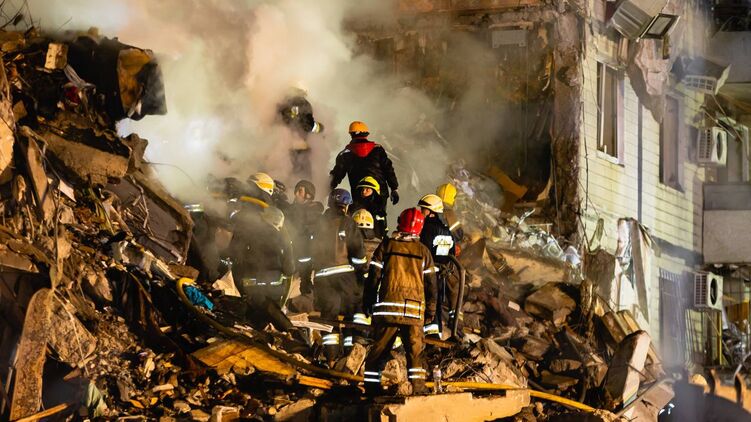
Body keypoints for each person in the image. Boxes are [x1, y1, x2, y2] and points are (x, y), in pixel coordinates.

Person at [363, 208, 437, 395]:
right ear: (420, 228)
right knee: (415, 353)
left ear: (399, 222)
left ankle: (372, 388)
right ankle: (418, 388)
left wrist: (368, 301)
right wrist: (431, 311)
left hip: (388, 309)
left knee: (379, 350)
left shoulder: (387, 246)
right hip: (413, 311)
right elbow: (431, 285)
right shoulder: (423, 252)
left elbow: (374, 276)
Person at [309, 188, 367, 364]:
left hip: (323, 278)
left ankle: (331, 359)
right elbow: (358, 253)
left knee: (329, 318)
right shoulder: (349, 223)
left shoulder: (317, 223)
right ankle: (350, 355)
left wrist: (305, 277)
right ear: (346, 206)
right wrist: (361, 273)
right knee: (352, 313)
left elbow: (306, 253)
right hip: (345, 277)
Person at [222, 205, 295, 331]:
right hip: (274, 292)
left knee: (250, 326)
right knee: (271, 324)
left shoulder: (248, 233)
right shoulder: (284, 240)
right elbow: (289, 269)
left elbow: (234, 256)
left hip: (251, 290)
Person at [329, 121, 400, 211]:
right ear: (366, 134)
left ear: (351, 134)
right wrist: (394, 188)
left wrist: (327, 188)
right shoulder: (378, 149)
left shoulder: (345, 154)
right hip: (380, 194)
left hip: (359, 194)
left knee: (360, 217)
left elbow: (336, 175)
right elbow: (388, 170)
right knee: (379, 217)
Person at [417, 194, 457, 337]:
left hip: (426, 274)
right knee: (437, 303)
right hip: (441, 275)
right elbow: (452, 253)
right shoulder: (447, 231)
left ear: (431, 212)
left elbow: (422, 251)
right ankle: (436, 333)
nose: (421, 212)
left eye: (423, 209)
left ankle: (428, 335)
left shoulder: (426, 229)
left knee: (426, 302)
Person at [277, 83, 324, 179]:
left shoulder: (282, 104)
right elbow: (308, 125)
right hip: (300, 147)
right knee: (304, 177)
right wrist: (319, 128)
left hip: (284, 147)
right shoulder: (304, 104)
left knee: (287, 176)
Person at [285, 180, 324, 280]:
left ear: (308, 195)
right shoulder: (291, 210)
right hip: (288, 263)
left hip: (305, 270)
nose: (296, 194)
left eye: (300, 191)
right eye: (296, 190)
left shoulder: (315, 215)